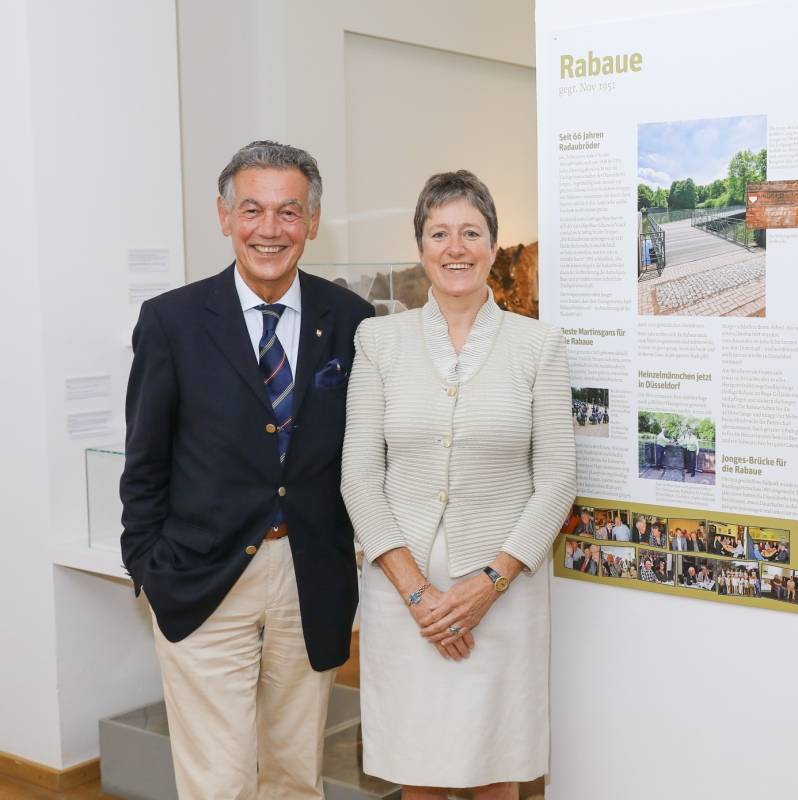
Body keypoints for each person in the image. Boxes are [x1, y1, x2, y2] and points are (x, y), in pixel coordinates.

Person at [119, 141, 374, 799]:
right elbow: (144, 460)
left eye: (288, 213)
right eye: (252, 210)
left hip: (309, 577)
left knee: (294, 775)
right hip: (202, 578)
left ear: (312, 222)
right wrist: (147, 567)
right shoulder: (171, 321)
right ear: (224, 216)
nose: (270, 229)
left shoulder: (350, 321)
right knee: (219, 782)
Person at [341, 170, 577, 798]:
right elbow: (359, 474)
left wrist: (490, 582)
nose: (455, 247)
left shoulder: (540, 345)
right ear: (420, 247)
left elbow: (557, 479)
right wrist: (419, 595)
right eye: (439, 232)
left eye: (471, 232)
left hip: (503, 597)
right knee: (419, 773)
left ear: (493, 246)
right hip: (403, 596)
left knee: (493, 773)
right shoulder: (378, 340)